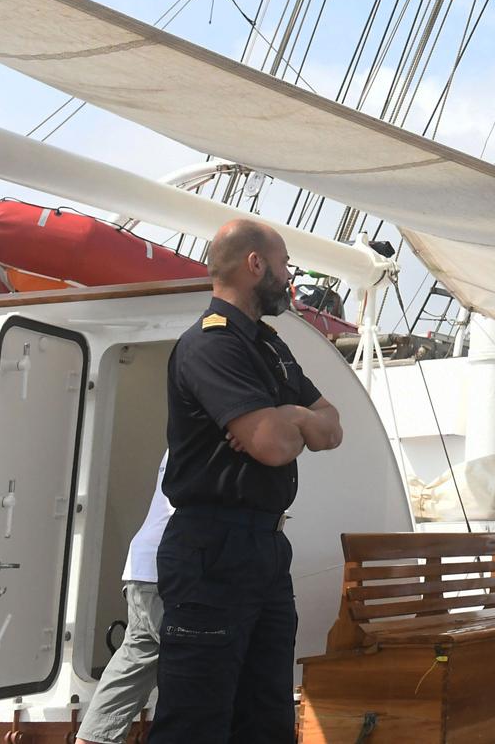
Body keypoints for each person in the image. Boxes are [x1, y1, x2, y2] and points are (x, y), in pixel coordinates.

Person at [146, 219, 344, 743]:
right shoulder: (212, 346)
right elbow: (274, 446)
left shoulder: (270, 347)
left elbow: (332, 428)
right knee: (197, 721)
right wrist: (289, 422)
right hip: (212, 549)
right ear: (255, 264)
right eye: (285, 266)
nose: (289, 278)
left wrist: (286, 415)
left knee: (266, 718)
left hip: (265, 547)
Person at [76, 457, 172, 744]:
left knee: (129, 673)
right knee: (202, 673)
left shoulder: (188, 429)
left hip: (145, 568)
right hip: (170, 570)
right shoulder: (224, 426)